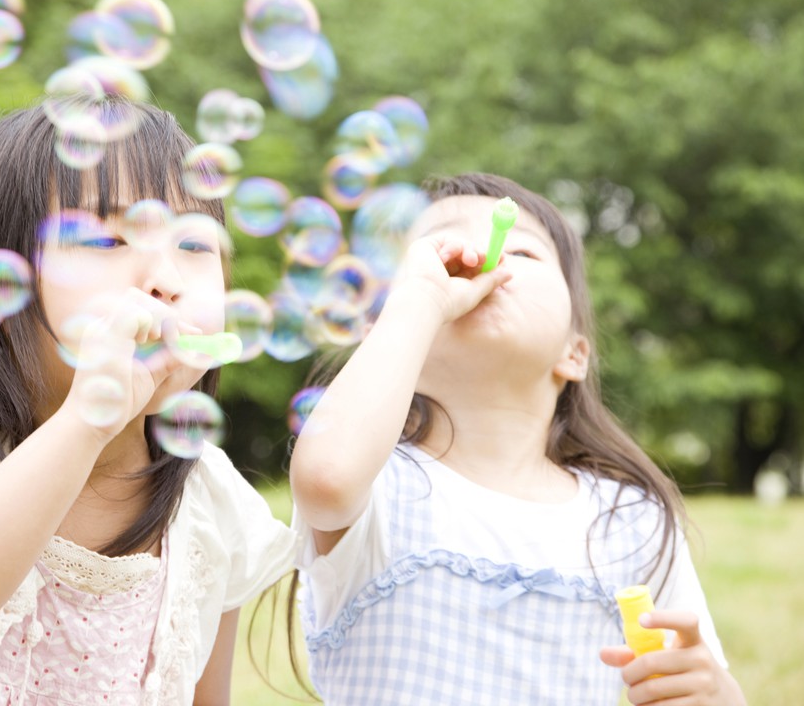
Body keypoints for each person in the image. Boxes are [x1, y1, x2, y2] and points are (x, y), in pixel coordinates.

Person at [0, 96, 295, 706]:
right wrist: (87, 420)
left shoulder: (213, 500)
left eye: (194, 245)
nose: (166, 278)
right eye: (109, 238)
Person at [289, 173, 747, 705]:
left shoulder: (630, 520)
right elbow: (325, 480)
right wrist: (419, 300)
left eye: (524, 253)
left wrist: (715, 693)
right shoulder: (378, 485)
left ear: (574, 352)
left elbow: (691, 680)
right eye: (436, 248)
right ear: (388, 334)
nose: (483, 254)